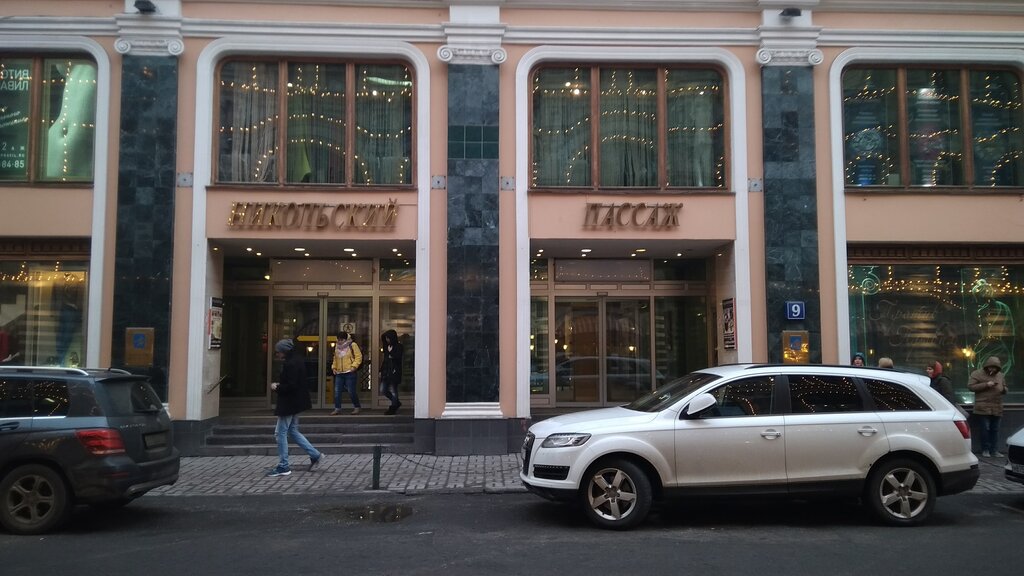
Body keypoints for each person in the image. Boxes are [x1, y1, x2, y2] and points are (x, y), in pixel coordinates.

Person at [268, 338, 322, 477]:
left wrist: (277, 387)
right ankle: (315, 454)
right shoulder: (297, 360)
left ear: (284, 351)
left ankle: (283, 465)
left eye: (278, 352)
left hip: (289, 403)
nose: (277, 354)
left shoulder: (290, 364)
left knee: (280, 433)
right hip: (296, 402)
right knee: (292, 431)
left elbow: (291, 385)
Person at [968, 356, 1008, 458]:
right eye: (991, 367)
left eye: (995, 368)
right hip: (983, 407)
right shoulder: (977, 373)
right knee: (985, 429)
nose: (992, 369)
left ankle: (994, 450)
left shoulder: (1000, 375)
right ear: (987, 366)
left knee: (995, 430)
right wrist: (986, 384)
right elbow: (971, 387)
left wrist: (1004, 389)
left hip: (997, 406)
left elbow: (1004, 386)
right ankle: (985, 450)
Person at [331, 331, 363, 415]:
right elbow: (335, 358)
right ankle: (337, 408)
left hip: (350, 372)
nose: (340, 341)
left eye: (341, 340)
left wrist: (354, 366)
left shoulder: (352, 345)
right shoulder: (337, 346)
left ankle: (357, 407)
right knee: (337, 391)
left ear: (346, 339)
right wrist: (334, 367)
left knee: (351, 391)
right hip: (339, 372)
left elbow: (358, 357)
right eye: (338, 339)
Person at [379, 329, 404, 415]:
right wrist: (381, 370)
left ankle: (393, 407)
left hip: (394, 372)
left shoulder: (399, 346)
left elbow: (397, 357)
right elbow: (385, 360)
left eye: (388, 338)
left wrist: (390, 353)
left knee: (393, 390)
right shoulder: (386, 347)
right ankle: (396, 402)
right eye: (386, 338)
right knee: (383, 389)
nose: (387, 340)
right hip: (386, 372)